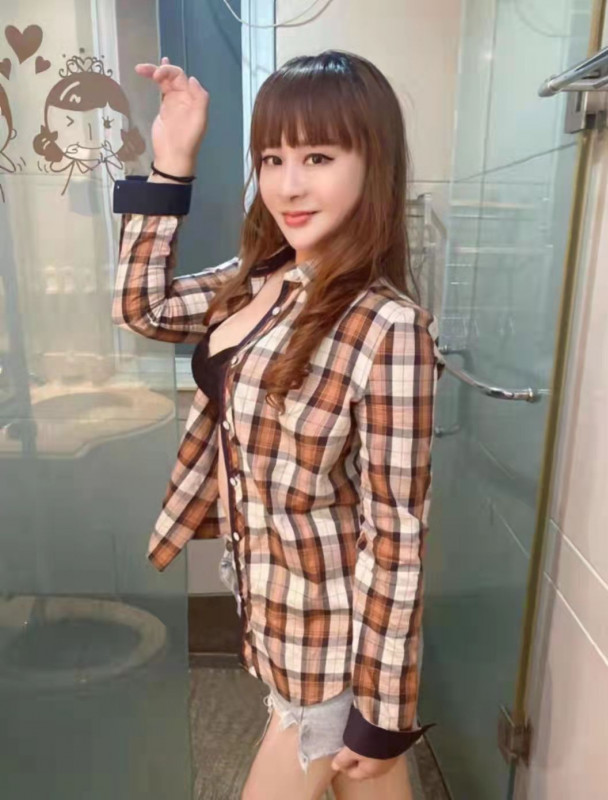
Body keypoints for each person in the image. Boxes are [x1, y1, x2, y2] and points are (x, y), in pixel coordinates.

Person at [112, 49, 445, 800]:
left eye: (318, 157)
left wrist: (383, 711)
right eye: (272, 158)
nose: (288, 185)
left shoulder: (386, 326)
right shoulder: (262, 281)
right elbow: (142, 307)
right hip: (272, 609)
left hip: (328, 644)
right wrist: (172, 164)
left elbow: (397, 533)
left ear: (373, 165)